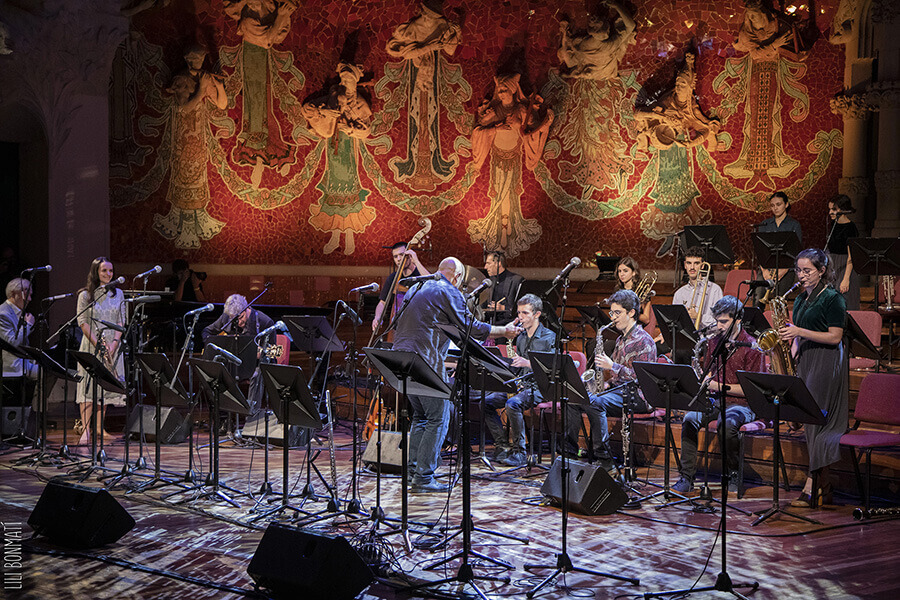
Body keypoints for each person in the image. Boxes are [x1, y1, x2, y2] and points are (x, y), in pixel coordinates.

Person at [392, 257, 519, 493]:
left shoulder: (416, 288)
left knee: (421, 417)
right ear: (458, 277)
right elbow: (470, 326)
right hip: (425, 360)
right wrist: (504, 330)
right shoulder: (446, 289)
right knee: (438, 417)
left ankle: (413, 473)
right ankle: (423, 478)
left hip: (400, 360)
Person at [672, 296, 765, 494]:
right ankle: (686, 476)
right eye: (717, 321)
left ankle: (733, 473)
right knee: (689, 418)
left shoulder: (752, 347)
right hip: (716, 400)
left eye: (724, 321)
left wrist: (718, 385)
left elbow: (752, 391)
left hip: (743, 404)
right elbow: (708, 375)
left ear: (738, 319)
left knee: (727, 425)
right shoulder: (714, 342)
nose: (719, 326)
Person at [779, 248, 848, 508]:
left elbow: (835, 337)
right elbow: (797, 336)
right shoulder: (799, 300)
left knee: (817, 421)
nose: (802, 275)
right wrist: (793, 350)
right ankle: (824, 485)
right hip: (806, 359)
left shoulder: (833, 298)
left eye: (807, 270)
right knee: (809, 422)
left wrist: (800, 332)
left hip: (827, 359)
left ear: (821, 271)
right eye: (799, 270)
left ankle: (812, 484)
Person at [566, 289, 656, 471]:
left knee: (595, 402)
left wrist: (612, 367)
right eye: (611, 313)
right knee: (574, 398)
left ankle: (604, 458)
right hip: (620, 390)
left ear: (631, 313)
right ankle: (568, 452)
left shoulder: (644, 341)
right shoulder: (620, 340)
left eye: (617, 313)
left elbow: (642, 379)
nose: (613, 317)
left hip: (639, 396)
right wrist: (606, 383)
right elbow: (618, 377)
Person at [482, 294, 555, 467]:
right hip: (522, 385)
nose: (520, 317)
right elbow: (517, 366)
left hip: (540, 388)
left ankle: (520, 452)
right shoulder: (521, 337)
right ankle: (501, 445)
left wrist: (527, 363)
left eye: (525, 313)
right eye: (519, 313)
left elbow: (551, 369)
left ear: (537, 314)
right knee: (486, 402)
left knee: (512, 404)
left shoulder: (549, 337)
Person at [75, 257, 127, 446]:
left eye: (111, 271)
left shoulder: (118, 294)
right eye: (104, 271)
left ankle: (99, 428)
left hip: (113, 346)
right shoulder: (86, 295)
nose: (108, 274)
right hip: (92, 346)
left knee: (104, 387)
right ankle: (86, 429)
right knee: (89, 387)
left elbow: (122, 321)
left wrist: (113, 344)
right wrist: (99, 344)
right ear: (96, 272)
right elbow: (83, 322)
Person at [371, 242, 429, 332]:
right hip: (399, 327)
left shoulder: (420, 274)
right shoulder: (393, 278)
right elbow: (382, 302)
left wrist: (416, 261)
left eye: (401, 255)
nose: (398, 259)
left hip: (420, 326)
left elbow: (433, 285)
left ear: (409, 255)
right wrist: (377, 317)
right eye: (395, 256)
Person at [755, 191, 802, 298]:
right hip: (766, 268)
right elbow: (760, 251)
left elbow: (795, 251)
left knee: (779, 299)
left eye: (778, 204)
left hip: (786, 269)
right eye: (772, 205)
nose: (775, 208)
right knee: (758, 297)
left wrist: (782, 271)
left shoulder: (794, 225)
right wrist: (764, 271)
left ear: (786, 204)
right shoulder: (765, 224)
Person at [1, 279, 38, 396]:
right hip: (11, 365)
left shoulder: (17, 312)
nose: (30, 300)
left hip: (23, 361)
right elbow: (12, 342)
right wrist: (28, 325)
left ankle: (34, 406)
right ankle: (36, 407)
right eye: (26, 295)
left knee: (50, 369)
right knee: (46, 373)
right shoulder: (3, 314)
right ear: (14, 294)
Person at [673, 246, 723, 330]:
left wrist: (699, 317)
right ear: (685, 265)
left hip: (707, 337)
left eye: (696, 263)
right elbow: (674, 321)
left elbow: (720, 323)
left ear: (702, 266)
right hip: (685, 337)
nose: (692, 267)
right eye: (689, 263)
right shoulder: (679, 293)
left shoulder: (714, 290)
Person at [826, 194, 860, 310]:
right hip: (833, 263)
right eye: (829, 209)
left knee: (843, 298)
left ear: (843, 210)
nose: (830, 212)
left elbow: (852, 256)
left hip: (845, 265)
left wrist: (846, 279)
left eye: (834, 209)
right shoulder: (833, 224)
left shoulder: (850, 228)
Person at [202, 293, 274, 342]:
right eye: (234, 319)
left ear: (246, 309)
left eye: (241, 317)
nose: (239, 322)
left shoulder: (265, 322)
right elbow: (206, 331)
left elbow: (271, 355)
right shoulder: (226, 316)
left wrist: (260, 354)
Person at [482, 251, 525, 325]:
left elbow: (523, 307)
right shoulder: (488, 282)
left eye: (488, 263)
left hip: (510, 324)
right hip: (490, 324)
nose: (485, 267)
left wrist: (503, 308)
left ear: (498, 264)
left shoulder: (516, 280)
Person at [614, 256, 653, 327]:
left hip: (636, 329)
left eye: (625, 271)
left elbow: (646, 319)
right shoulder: (618, 290)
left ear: (634, 273)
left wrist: (632, 313)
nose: (621, 274)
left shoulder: (642, 290)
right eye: (619, 271)